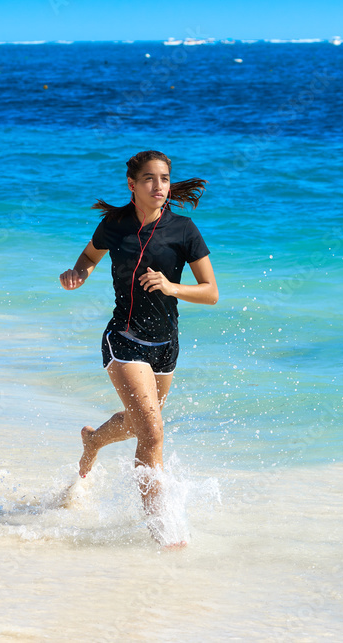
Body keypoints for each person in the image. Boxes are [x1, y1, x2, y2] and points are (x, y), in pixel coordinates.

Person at [59, 150, 218, 544]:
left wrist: (171, 287)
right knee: (152, 434)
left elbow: (211, 292)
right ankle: (162, 532)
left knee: (137, 424)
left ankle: (94, 439)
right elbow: (89, 256)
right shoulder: (114, 226)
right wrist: (78, 272)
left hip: (166, 345)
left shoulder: (184, 230)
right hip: (123, 340)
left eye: (164, 179)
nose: (159, 186)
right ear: (132, 185)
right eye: (149, 179)